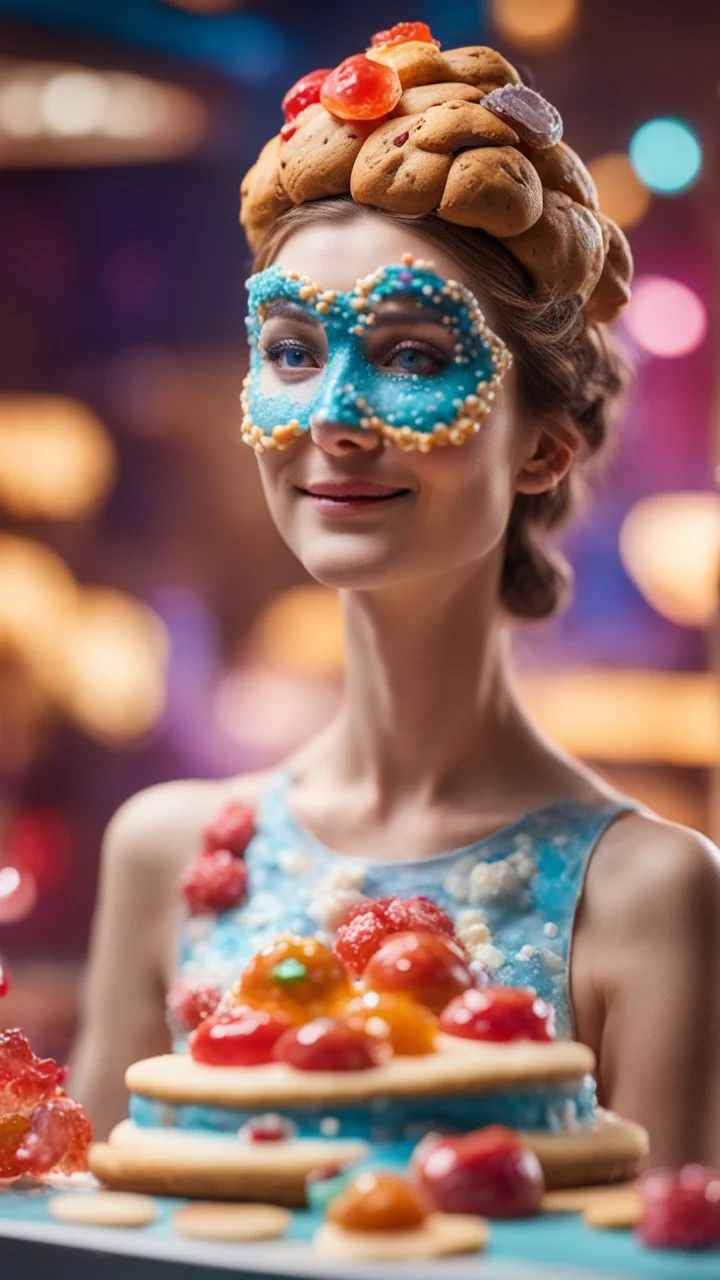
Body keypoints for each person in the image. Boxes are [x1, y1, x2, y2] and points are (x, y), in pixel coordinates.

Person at [70, 30, 720, 1164]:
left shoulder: (650, 896)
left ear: (545, 447)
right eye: (289, 349)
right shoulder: (165, 854)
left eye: (415, 356)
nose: (332, 411)